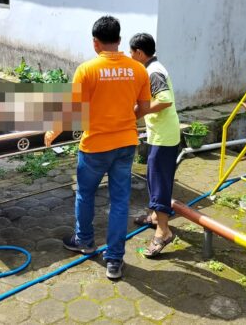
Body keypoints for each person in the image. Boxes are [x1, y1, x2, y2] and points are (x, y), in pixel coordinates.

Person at [45, 16, 151, 280]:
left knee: (85, 195)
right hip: (126, 144)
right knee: (119, 202)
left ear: (95, 43)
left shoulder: (87, 70)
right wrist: (124, 119)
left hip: (95, 147)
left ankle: (85, 240)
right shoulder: (138, 69)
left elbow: (71, 112)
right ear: (118, 39)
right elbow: (145, 109)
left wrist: (52, 133)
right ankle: (114, 260)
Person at [130, 33, 181, 257]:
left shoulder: (154, 71)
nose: (131, 57)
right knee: (153, 176)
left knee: (159, 182)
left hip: (164, 137)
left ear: (140, 53)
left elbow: (164, 99)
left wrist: (139, 111)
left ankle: (163, 232)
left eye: (132, 53)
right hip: (159, 134)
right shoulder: (151, 68)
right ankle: (153, 217)